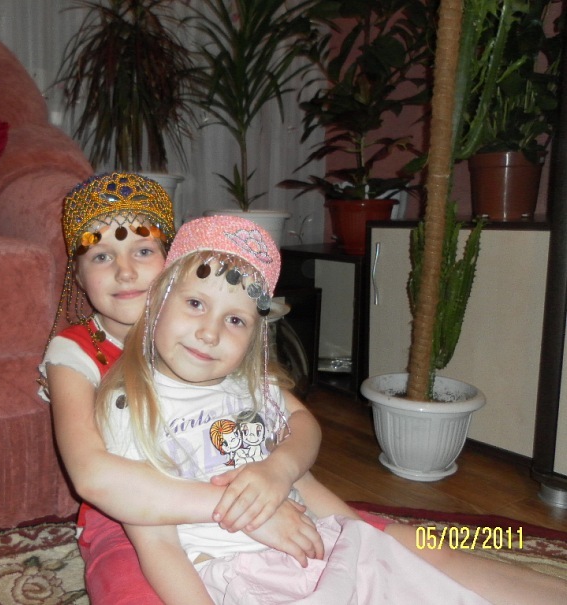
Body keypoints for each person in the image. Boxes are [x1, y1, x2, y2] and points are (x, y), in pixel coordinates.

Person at [95, 215, 567, 605]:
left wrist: (283, 471)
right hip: (250, 575)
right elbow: (156, 543)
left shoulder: (250, 388)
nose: (209, 332)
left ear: (255, 337)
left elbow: (304, 430)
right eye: (196, 303)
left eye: (235, 319)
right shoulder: (130, 407)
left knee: (436, 582)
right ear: (158, 302)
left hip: (319, 542)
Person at [40, 173, 325, 605]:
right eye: (100, 256)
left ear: (172, 262)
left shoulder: (203, 336)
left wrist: (280, 477)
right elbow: (92, 475)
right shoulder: (76, 350)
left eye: (143, 250)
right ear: (77, 275)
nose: (125, 271)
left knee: (354, 540)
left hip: (237, 483)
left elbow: (293, 422)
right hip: (126, 518)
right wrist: (241, 509)